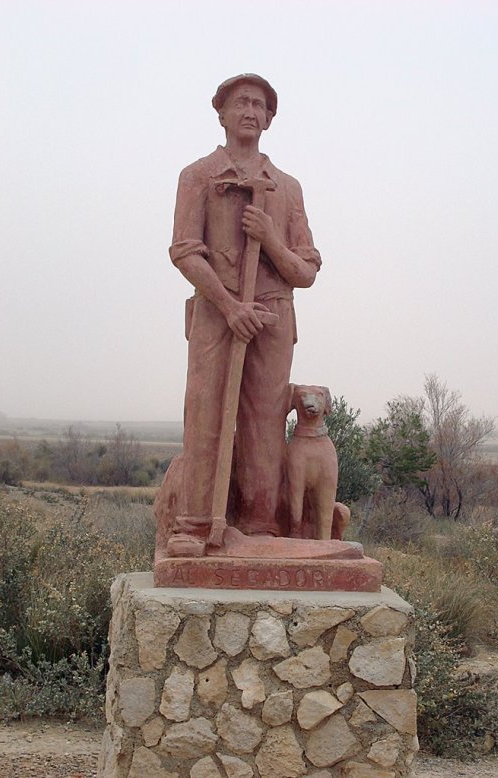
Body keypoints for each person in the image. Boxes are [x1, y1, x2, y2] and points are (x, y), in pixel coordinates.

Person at [165, 74, 321, 552]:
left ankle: (259, 527)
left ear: (270, 118)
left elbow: (307, 270)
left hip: (272, 314)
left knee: (264, 419)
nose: (250, 111)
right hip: (218, 309)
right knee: (206, 409)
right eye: (241, 103)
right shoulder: (198, 175)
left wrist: (270, 237)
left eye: (259, 104)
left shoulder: (288, 188)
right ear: (222, 113)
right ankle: (194, 525)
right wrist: (231, 305)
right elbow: (185, 251)